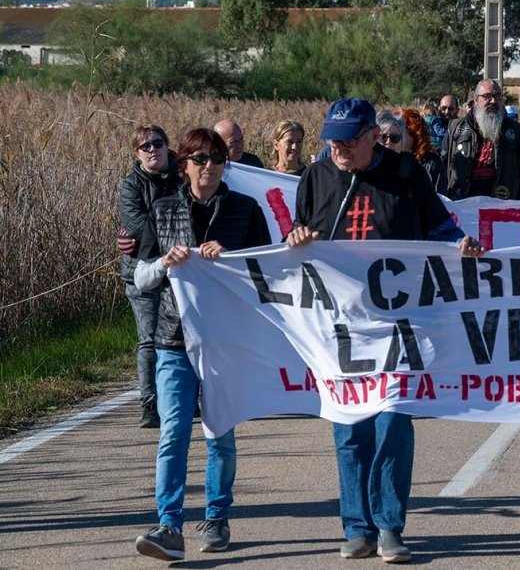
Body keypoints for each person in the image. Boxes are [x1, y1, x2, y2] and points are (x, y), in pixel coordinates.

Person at [287, 98, 485, 564]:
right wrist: (295, 238)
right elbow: (297, 234)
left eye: (348, 140)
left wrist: (459, 244)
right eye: (332, 140)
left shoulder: (404, 172)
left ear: (372, 136)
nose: (338, 149)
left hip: (399, 323)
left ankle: (389, 525)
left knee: (393, 420)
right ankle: (356, 527)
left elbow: (437, 224)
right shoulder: (315, 177)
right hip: (341, 325)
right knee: (349, 427)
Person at [132, 128, 272, 561]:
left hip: (223, 340)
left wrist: (230, 256)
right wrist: (163, 262)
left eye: (215, 158)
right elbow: (139, 277)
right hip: (173, 338)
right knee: (173, 431)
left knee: (219, 434)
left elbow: (267, 273)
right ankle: (168, 524)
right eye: (198, 159)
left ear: (224, 164)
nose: (207, 166)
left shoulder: (245, 210)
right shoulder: (162, 209)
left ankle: (216, 515)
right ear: (184, 165)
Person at [118, 124, 181, 429]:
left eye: (158, 143)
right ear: (137, 153)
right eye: (145, 146)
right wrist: (177, 229)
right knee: (149, 339)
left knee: (184, 335)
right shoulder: (130, 186)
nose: (153, 149)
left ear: (168, 146)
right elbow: (138, 225)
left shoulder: (184, 177)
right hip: (141, 272)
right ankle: (150, 404)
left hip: (183, 271)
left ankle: (186, 397)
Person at [445, 79, 520, 200]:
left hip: (502, 206)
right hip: (462, 207)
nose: (493, 101)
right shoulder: (455, 128)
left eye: (497, 96)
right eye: (487, 96)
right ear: (476, 99)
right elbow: (444, 165)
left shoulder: (517, 132)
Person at [399, 108, 448, 195]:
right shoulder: (392, 160)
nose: (397, 137)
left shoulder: (432, 163)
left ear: (414, 135)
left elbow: (440, 199)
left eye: (401, 133)